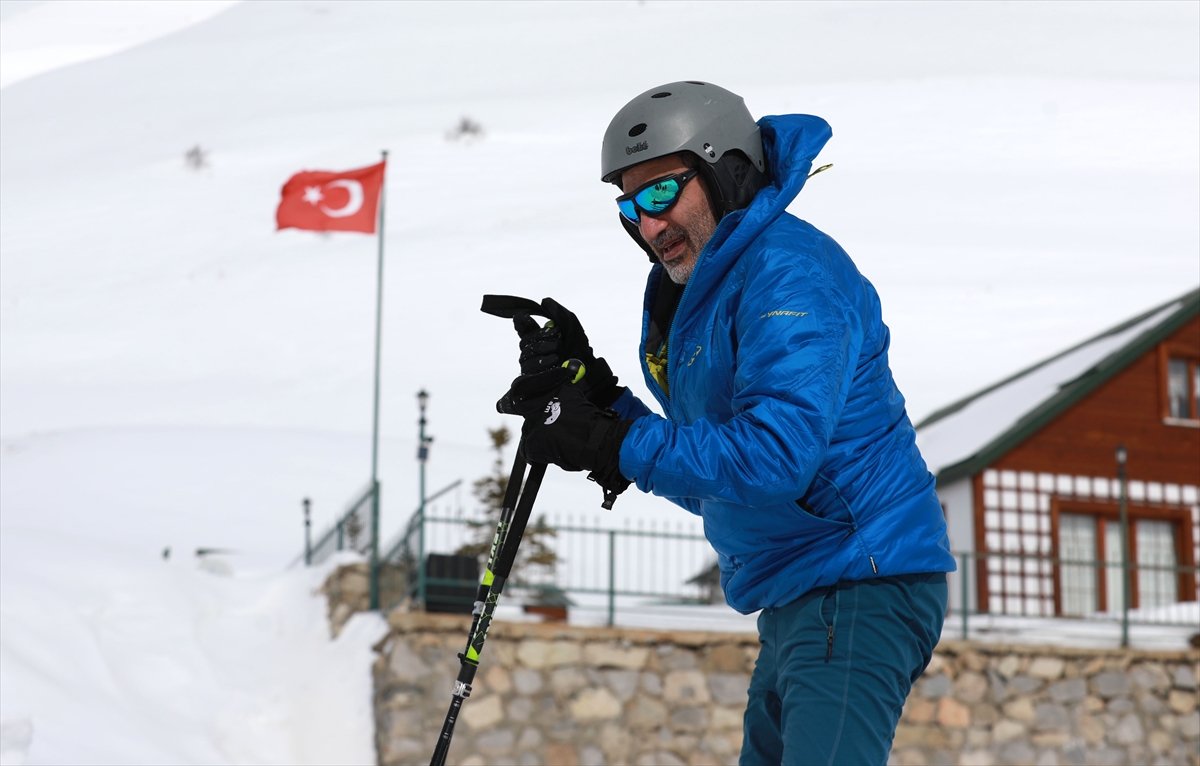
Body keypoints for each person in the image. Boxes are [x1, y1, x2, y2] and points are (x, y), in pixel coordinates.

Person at [496, 81, 955, 766]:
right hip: (803, 591)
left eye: (659, 195)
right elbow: (721, 477)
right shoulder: (710, 287)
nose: (647, 225)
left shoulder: (788, 276)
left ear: (725, 171)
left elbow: (773, 460)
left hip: (858, 581)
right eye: (629, 206)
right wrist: (601, 405)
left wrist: (616, 441)